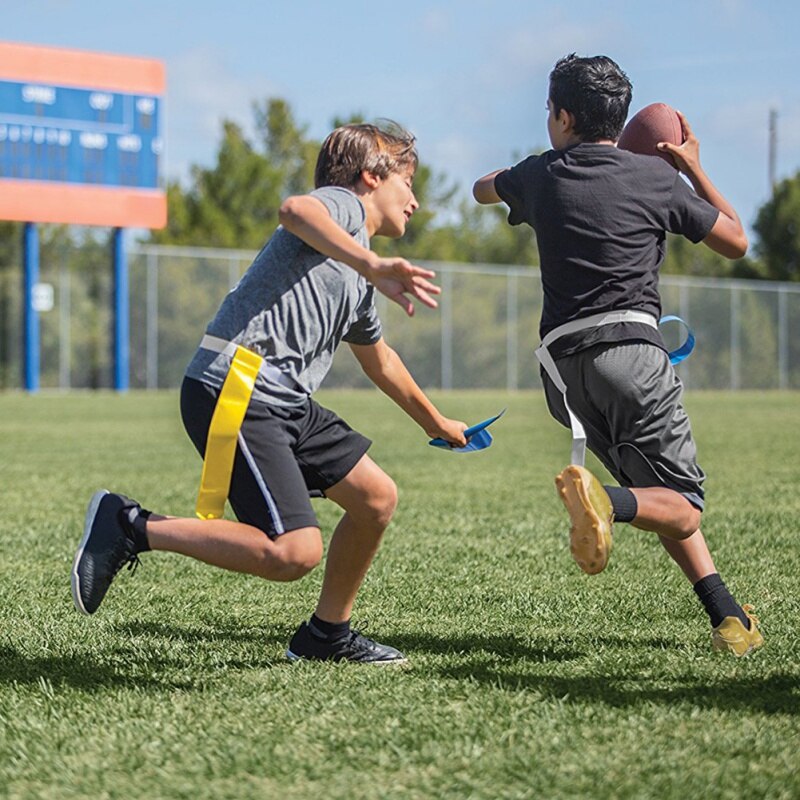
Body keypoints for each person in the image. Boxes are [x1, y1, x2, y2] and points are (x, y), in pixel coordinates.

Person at [72, 121, 467, 664]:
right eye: (409, 182)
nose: (416, 201)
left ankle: (326, 635)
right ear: (372, 176)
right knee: (293, 553)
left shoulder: (357, 270)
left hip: (284, 400)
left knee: (376, 498)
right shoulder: (344, 209)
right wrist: (373, 264)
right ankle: (130, 524)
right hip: (238, 385)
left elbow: (381, 360)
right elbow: (294, 211)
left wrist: (437, 423)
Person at [473, 54, 763, 657]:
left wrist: (516, 176)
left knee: (654, 489)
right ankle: (606, 499)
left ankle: (727, 617)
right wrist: (693, 170)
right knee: (680, 505)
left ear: (562, 116)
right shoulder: (659, 180)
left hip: (563, 375)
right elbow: (736, 241)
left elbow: (481, 190)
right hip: (631, 358)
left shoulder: (541, 172)